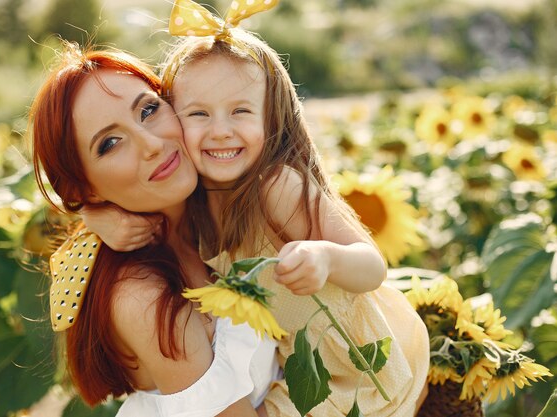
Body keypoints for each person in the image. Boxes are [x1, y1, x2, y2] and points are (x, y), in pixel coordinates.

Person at [82, 1, 430, 416]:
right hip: (299, 371)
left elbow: (372, 266)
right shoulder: (197, 200)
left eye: (241, 112)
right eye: (198, 114)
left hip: (354, 369)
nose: (221, 131)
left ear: (271, 119)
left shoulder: (276, 187)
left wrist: (323, 257)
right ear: (175, 118)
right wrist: (93, 214)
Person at [29, 44, 281, 417]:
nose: (152, 144)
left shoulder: (219, 208)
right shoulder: (141, 297)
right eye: (110, 144)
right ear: (85, 189)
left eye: (148, 110)